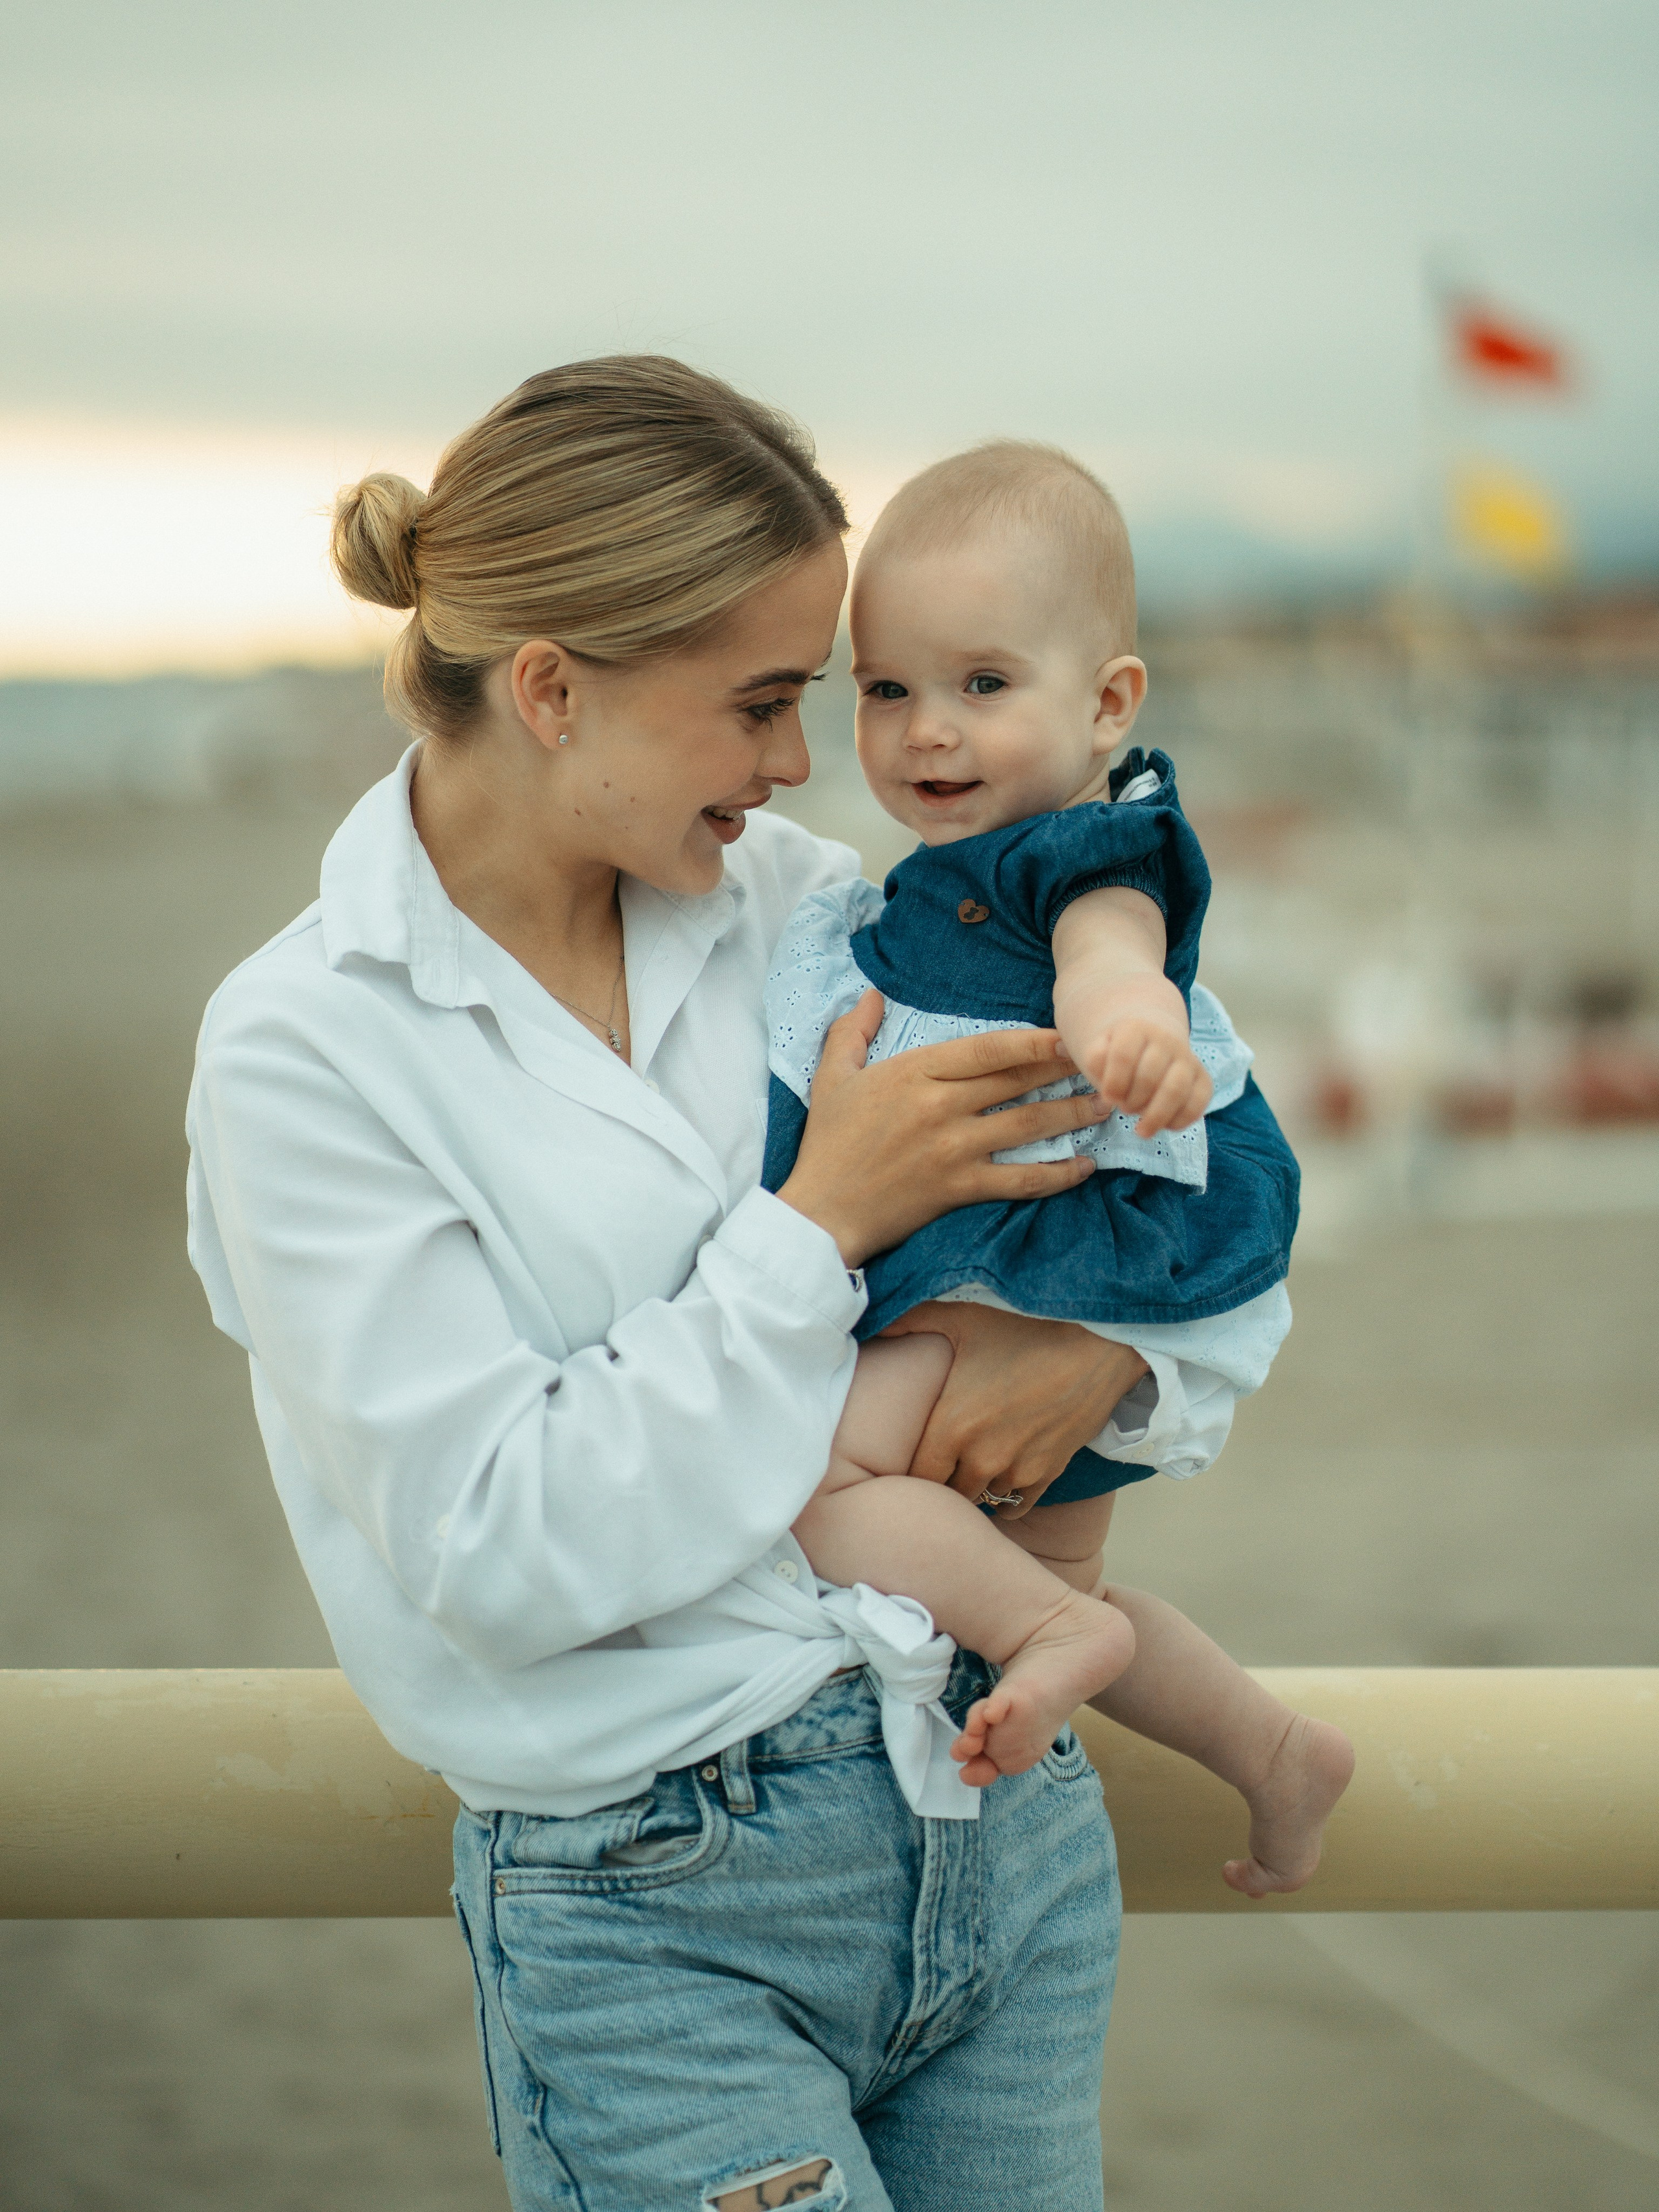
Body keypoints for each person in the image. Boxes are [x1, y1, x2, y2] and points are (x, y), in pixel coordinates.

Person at [186, 358, 1154, 2212]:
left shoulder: (809, 905)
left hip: (991, 1808)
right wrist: (817, 1223)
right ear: (552, 689)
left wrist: (1108, 1351)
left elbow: (1133, 1169)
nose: (799, 764)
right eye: (761, 702)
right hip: (650, 1901)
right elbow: (501, 1547)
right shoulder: (304, 1049)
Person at [764, 443, 1354, 1891]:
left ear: (1107, 704)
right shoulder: (908, 884)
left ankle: (1052, 1637)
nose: (926, 731)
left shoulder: (1085, 852)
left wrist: (1129, 1028)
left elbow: (1110, 956)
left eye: (982, 683)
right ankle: (1273, 1750)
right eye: (886, 689)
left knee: (820, 1485)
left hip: (1019, 1277)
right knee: (1057, 1586)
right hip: (1047, 1293)